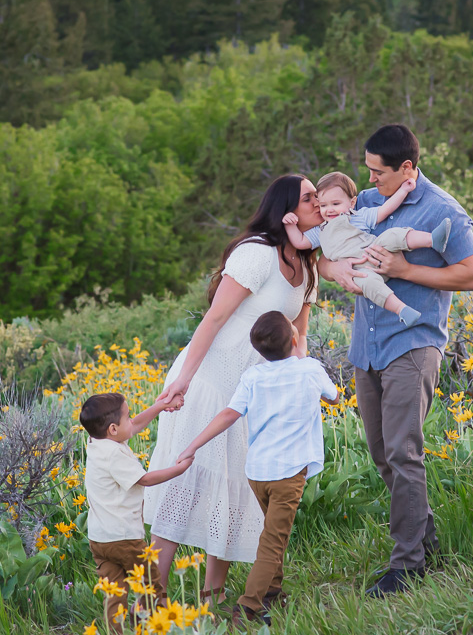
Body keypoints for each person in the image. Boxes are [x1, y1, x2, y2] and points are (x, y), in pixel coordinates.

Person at [318, 124, 473, 598]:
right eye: (368, 171)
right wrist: (334, 268)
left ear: (407, 168)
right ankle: (426, 544)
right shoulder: (368, 202)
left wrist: (405, 269)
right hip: (366, 346)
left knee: (402, 452)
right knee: (381, 453)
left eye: (378, 172)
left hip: (413, 343)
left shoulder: (444, 210)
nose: (370, 181)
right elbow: (324, 249)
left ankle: (407, 566)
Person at [143, 175, 324, 603]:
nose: (319, 203)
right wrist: (184, 380)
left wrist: (300, 386)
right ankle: (150, 597)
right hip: (207, 381)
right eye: (309, 198)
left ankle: (214, 598)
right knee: (183, 483)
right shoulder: (256, 253)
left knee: (235, 487)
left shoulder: (308, 268)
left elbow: (299, 337)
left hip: (252, 396)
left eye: (319, 197)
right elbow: (215, 318)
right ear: (286, 210)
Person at [177, 311, 339, 625]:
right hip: (289, 473)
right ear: (294, 339)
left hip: (258, 473)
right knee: (274, 541)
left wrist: (192, 445)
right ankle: (248, 606)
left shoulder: (253, 377)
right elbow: (334, 398)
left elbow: (229, 414)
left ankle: (272, 593)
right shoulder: (310, 369)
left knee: (272, 534)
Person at [79, 393, 193, 632]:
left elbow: (135, 425)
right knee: (151, 584)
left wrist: (160, 406)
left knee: (114, 592)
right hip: (125, 538)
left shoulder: (97, 442)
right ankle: (157, 625)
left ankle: (116, 630)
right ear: (113, 429)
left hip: (100, 539)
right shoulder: (114, 455)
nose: (132, 420)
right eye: (128, 416)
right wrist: (178, 470)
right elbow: (146, 479)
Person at [282, 171, 450, 327]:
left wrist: (404, 190)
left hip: (376, 251)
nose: (329, 209)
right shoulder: (321, 230)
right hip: (360, 271)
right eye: (323, 205)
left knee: (393, 235)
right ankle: (402, 310)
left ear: (352, 203)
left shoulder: (359, 216)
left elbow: (385, 209)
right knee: (370, 286)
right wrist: (290, 224)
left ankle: (432, 240)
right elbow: (300, 242)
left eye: (336, 203)